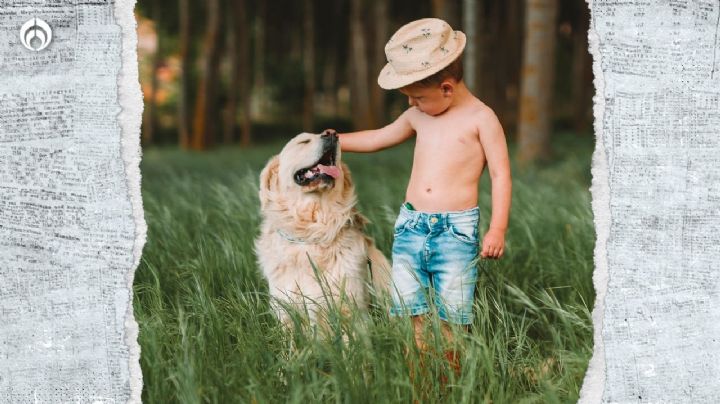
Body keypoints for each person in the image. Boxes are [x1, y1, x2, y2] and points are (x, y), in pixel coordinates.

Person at [337, 17, 512, 379]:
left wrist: (497, 229)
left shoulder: (482, 119)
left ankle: (449, 383)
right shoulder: (419, 115)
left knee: (452, 314)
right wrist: (336, 140)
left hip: (455, 233)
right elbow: (379, 137)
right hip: (412, 227)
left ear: (447, 88)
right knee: (410, 310)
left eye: (417, 97)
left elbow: (500, 175)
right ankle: (418, 381)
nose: (412, 104)